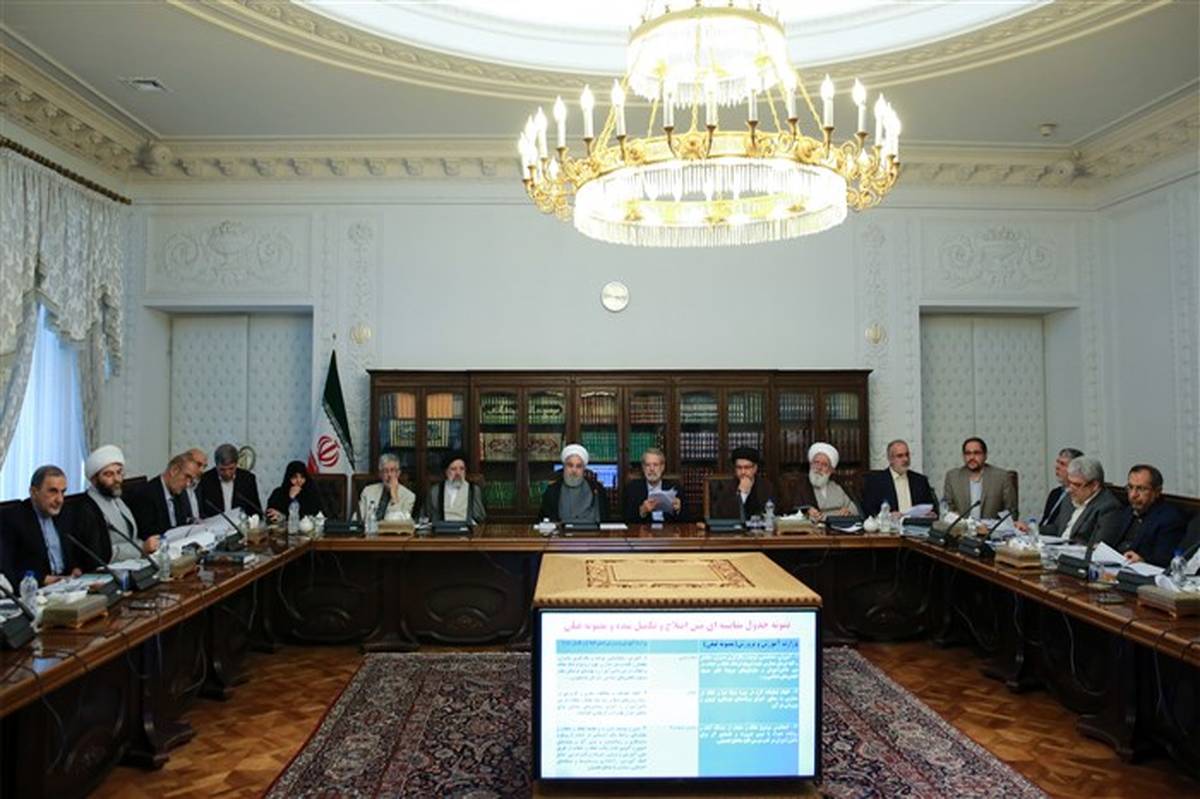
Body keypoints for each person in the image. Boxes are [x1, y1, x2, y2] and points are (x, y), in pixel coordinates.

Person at [73, 445, 157, 566]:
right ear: (94, 480)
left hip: (134, 564)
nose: (117, 479)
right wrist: (142, 547)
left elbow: (131, 537)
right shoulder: (87, 509)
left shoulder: (116, 497)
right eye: (109, 474)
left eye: (119, 472)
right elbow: (100, 553)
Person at [0, 465, 83, 587]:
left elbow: (74, 554)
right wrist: (43, 579)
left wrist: (76, 568)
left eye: (63, 492)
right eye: (53, 491)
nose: (60, 500)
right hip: (35, 590)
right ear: (34, 492)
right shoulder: (12, 519)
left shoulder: (66, 514)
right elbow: (7, 571)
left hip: (67, 586)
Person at [1041, 456, 1121, 546]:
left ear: (1094, 485)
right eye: (1069, 482)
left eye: (1076, 484)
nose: (1070, 489)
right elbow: (1057, 528)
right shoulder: (1069, 498)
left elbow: (1099, 545)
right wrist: (1033, 530)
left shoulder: (1108, 507)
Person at [1116, 464, 1186, 567]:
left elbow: (1164, 561)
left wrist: (1143, 560)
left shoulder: (1169, 519)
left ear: (1157, 492)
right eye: (1130, 487)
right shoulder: (1127, 511)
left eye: (1141, 489)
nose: (1133, 495)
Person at [128, 452, 202, 541]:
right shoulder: (145, 494)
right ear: (174, 470)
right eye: (187, 477)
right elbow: (147, 534)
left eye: (191, 480)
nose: (187, 484)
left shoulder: (180, 493)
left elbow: (182, 523)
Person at [942, 437, 1018, 520]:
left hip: (992, 527)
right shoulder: (952, 477)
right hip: (962, 527)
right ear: (963, 456)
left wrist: (995, 526)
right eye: (968, 453)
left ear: (985, 455)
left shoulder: (1002, 477)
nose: (972, 457)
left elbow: (1011, 512)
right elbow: (947, 508)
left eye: (977, 453)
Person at [862, 439, 936, 518]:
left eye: (907, 455)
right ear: (890, 459)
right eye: (900, 456)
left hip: (916, 524)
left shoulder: (920, 480)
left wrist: (932, 514)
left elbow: (932, 507)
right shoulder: (876, 481)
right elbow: (868, 511)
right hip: (890, 525)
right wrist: (888, 516)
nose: (906, 459)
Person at [539, 443, 609, 523]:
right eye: (570, 465)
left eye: (578, 466)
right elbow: (544, 522)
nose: (574, 470)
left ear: (584, 469)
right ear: (564, 467)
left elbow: (605, 521)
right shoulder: (552, 491)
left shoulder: (597, 489)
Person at [793, 442, 859, 522]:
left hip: (839, 526)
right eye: (816, 463)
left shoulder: (837, 485)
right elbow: (793, 511)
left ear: (831, 470)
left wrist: (848, 511)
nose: (819, 468)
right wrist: (807, 512)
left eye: (824, 465)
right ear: (810, 465)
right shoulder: (801, 485)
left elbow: (855, 508)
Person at [197, 443, 261, 518]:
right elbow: (201, 511)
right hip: (214, 524)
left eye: (231, 468)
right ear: (216, 465)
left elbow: (256, 511)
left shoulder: (248, 479)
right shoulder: (205, 479)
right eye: (222, 469)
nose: (227, 473)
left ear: (236, 464)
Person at [624, 447, 684, 524]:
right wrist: (642, 511)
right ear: (643, 468)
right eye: (647, 465)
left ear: (662, 467)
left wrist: (679, 510)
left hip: (668, 530)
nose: (651, 469)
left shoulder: (675, 488)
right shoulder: (632, 489)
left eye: (655, 465)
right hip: (644, 530)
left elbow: (687, 520)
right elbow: (626, 520)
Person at [712, 447, 775, 520]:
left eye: (747, 467)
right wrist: (742, 494)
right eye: (739, 467)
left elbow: (773, 513)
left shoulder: (766, 487)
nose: (743, 472)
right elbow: (723, 516)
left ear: (755, 468)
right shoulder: (726, 487)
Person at [424, 451, 486, 524]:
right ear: (446, 472)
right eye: (453, 469)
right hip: (442, 529)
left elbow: (480, 517)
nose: (458, 473)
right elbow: (427, 516)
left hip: (465, 529)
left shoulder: (473, 490)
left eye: (462, 469)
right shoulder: (435, 491)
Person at [358, 453, 416, 522]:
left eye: (392, 470)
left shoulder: (409, 497)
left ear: (398, 473)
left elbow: (399, 523)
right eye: (385, 471)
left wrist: (394, 496)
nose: (389, 475)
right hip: (370, 528)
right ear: (380, 474)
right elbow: (357, 520)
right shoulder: (368, 491)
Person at [1040, 447, 1084, 528]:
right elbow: (1044, 522)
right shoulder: (1055, 493)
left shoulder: (1079, 496)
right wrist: (1030, 529)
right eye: (1057, 463)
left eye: (1062, 464)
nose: (1057, 467)